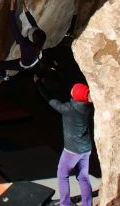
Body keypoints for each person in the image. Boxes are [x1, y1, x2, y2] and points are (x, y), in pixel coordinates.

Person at [36, 78, 93, 206]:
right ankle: (87, 204)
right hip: (86, 149)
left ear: (76, 96)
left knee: (62, 176)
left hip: (72, 150)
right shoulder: (88, 106)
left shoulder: (69, 109)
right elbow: (75, 93)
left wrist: (39, 84)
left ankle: (65, 204)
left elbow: (51, 101)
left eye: (73, 90)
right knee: (83, 177)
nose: (71, 90)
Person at [0, 0, 46, 81]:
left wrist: (12, 7)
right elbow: (33, 23)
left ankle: (3, 76)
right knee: (27, 30)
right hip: (37, 57)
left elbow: (13, 26)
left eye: (30, 31)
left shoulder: (25, 45)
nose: (31, 29)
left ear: (30, 39)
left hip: (25, 65)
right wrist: (25, 9)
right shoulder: (40, 35)